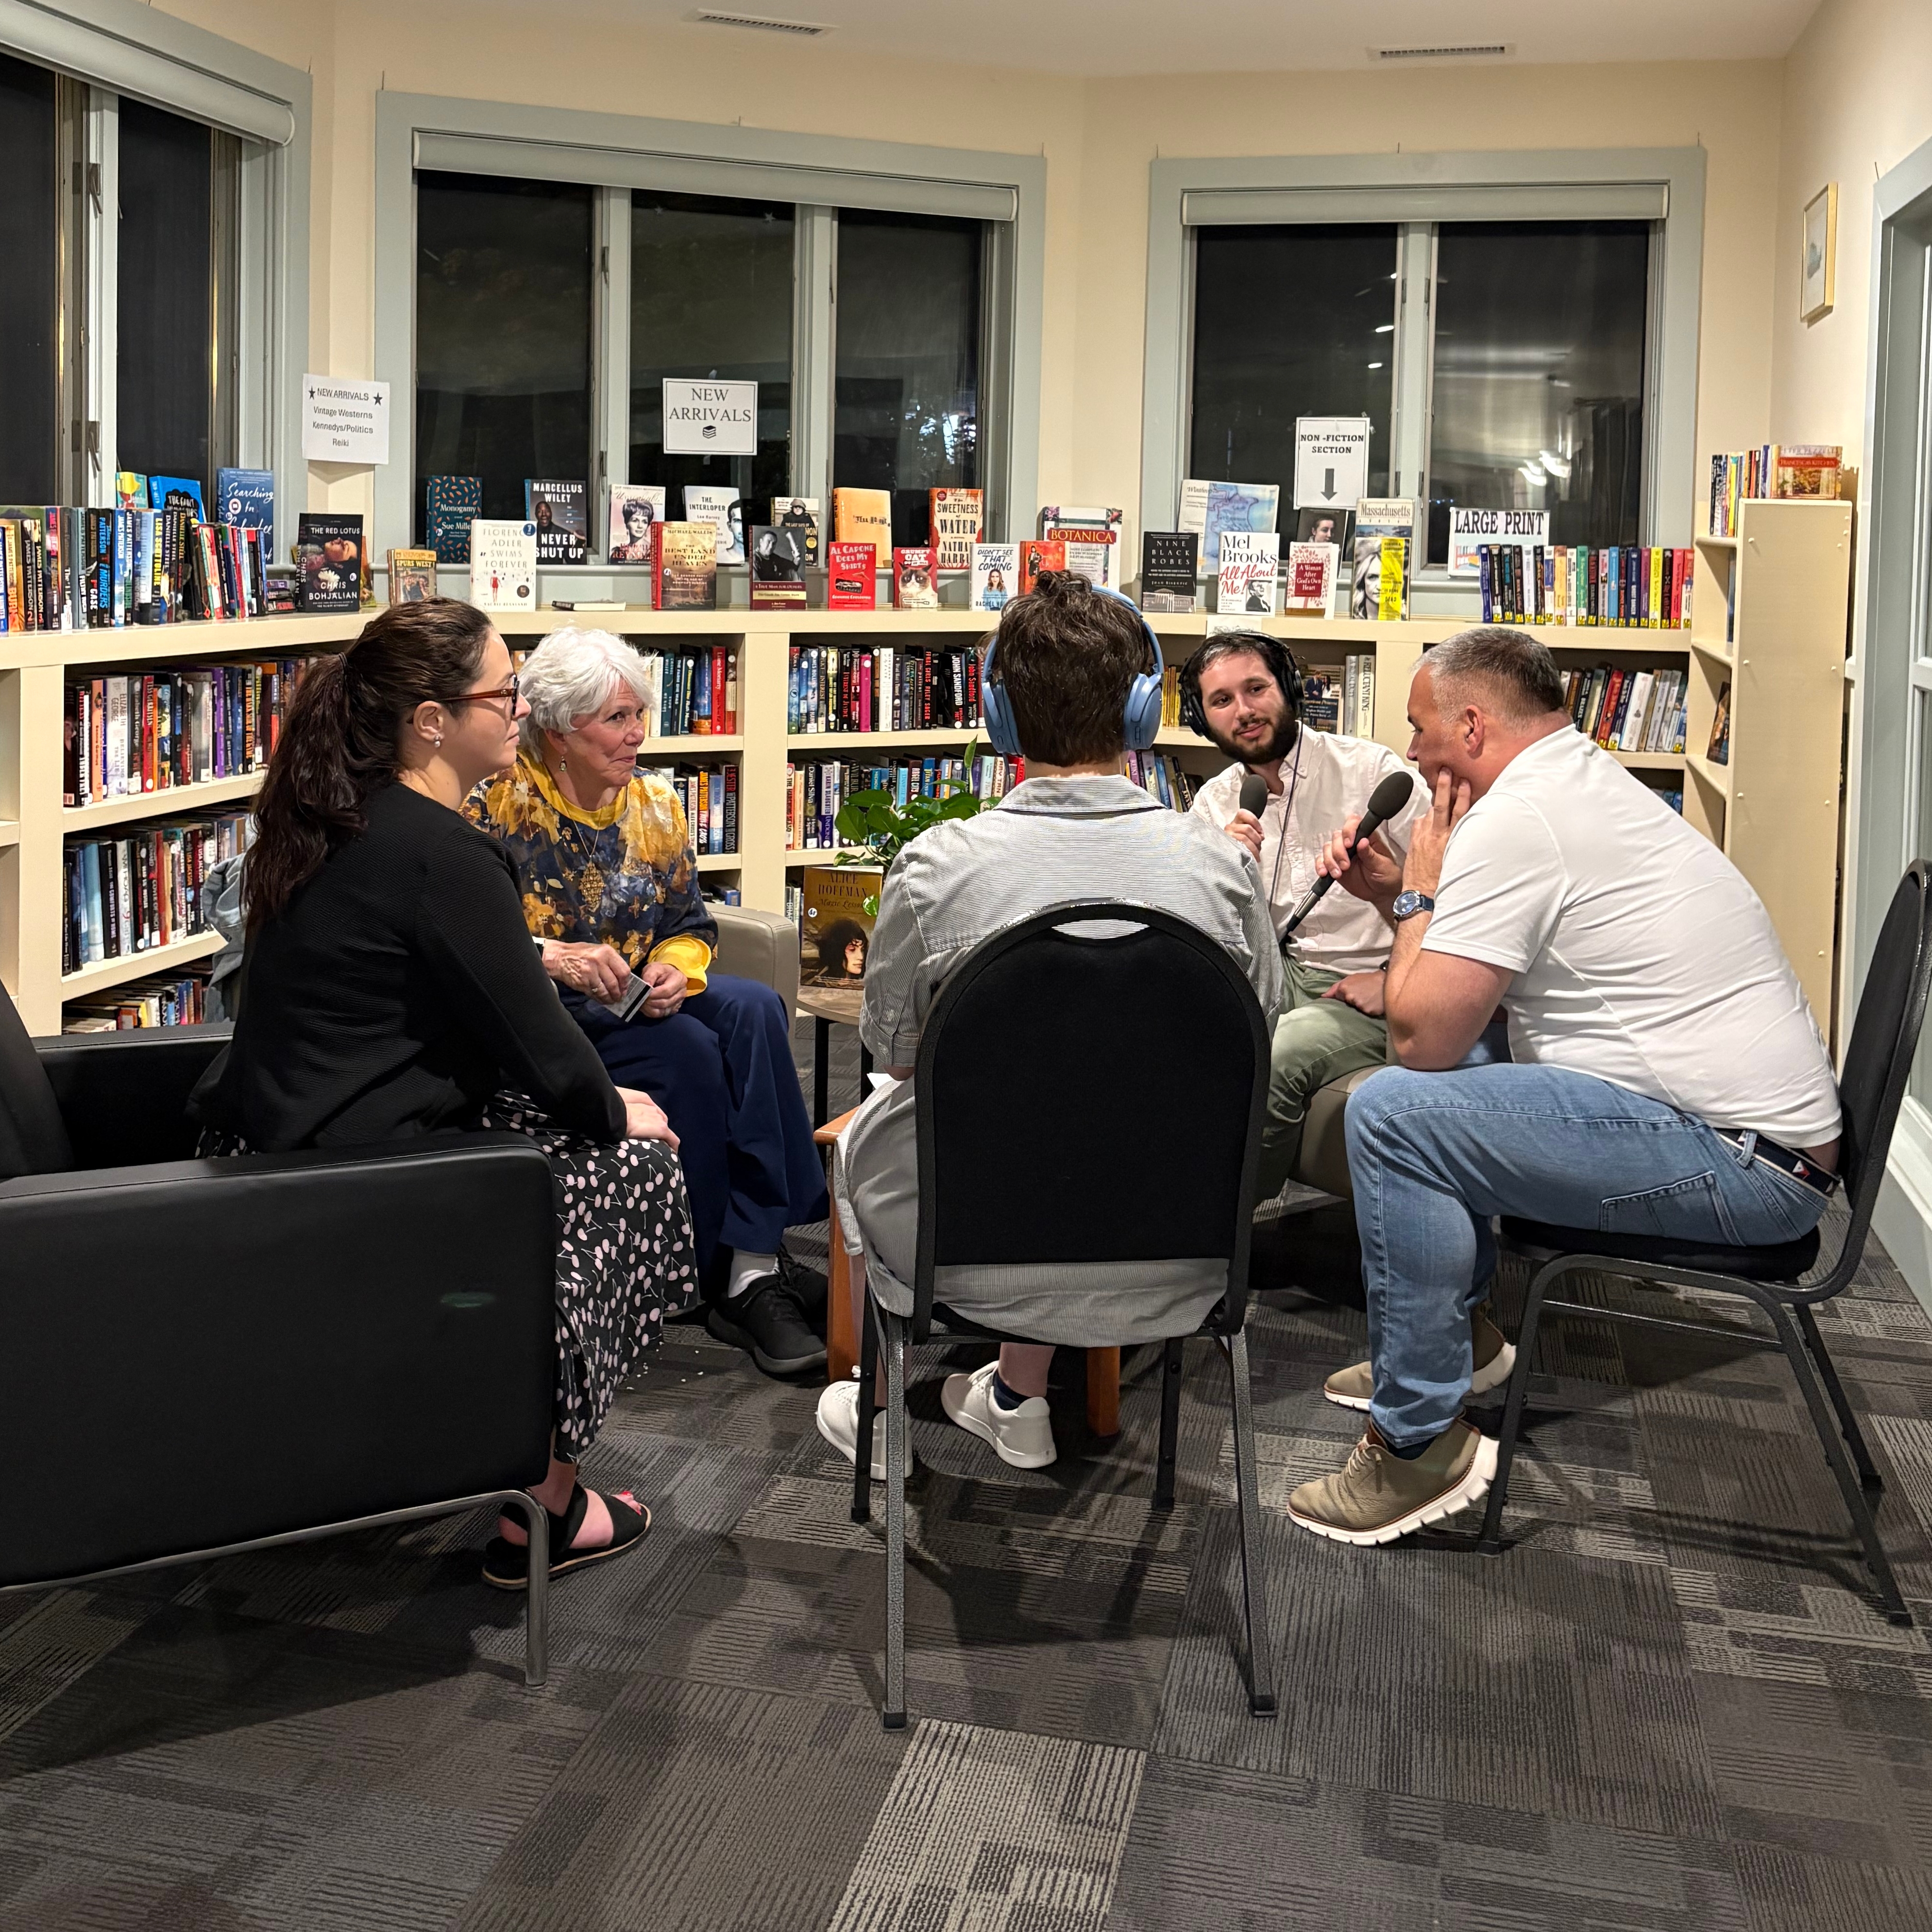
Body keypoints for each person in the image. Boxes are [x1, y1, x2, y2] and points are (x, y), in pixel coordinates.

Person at [1288, 626, 1842, 1544]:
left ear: (1471, 725)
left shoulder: (1518, 821)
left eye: (1423, 728)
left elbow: (1417, 1034)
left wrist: (1421, 892)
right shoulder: (1573, 782)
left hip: (1744, 1168)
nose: (1414, 750)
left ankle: (1416, 1444)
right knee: (1457, 1072)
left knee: (1394, 1111)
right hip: (1752, 1139)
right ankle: (1449, 1346)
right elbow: (1460, 1004)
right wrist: (1402, 896)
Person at [190, 599, 698, 1588]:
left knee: (575, 1136)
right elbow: (543, 1047)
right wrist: (613, 1110)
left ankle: (494, 1443)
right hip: (361, 1179)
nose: (519, 709)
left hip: (284, 1143)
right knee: (632, 1169)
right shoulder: (446, 854)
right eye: (502, 693)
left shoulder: (342, 815)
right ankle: (546, 1503)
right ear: (432, 720)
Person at [815, 572, 1281, 1475]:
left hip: (966, 1260)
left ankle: (884, 1414)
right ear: (1146, 711)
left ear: (999, 717)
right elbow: (1256, 1041)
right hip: (1183, 1260)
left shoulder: (936, 868)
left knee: (893, 1121)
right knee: (1112, 1101)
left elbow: (895, 1053)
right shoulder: (1220, 871)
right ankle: (1013, 1393)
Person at [466, 627, 830, 1379]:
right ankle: (706, 1265)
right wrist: (561, 962)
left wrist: (674, 968)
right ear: (561, 730)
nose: (637, 734)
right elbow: (476, 942)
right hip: (548, 1013)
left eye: (639, 714)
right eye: (616, 719)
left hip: (635, 997)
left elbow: (688, 922)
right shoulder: (496, 806)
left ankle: (755, 1257)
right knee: (692, 1051)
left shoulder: (656, 803)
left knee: (757, 1009)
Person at [1184, 632, 1425, 1199]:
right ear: (1203, 718)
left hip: (1365, 982)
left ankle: (1225, 1237)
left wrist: (1393, 982)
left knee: (1283, 1049)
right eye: (1222, 701)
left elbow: (1460, 899)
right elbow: (1205, 936)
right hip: (1273, 974)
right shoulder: (1215, 804)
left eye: (1256, 689)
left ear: (1289, 689)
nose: (1243, 711)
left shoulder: (1372, 772)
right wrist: (1222, 872)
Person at [610, 495, 656, 563]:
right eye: (635, 521)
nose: (640, 526)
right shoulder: (618, 553)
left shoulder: (654, 552)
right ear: (627, 522)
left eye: (644, 522)